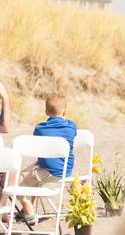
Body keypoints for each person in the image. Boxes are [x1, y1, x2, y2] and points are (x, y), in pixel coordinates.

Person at [16, 95, 79, 225]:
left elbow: (37, 147)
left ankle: (29, 211)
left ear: (46, 112)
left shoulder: (40, 128)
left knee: (19, 189)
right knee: (29, 173)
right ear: (65, 112)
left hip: (45, 171)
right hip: (65, 170)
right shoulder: (71, 127)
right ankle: (28, 209)